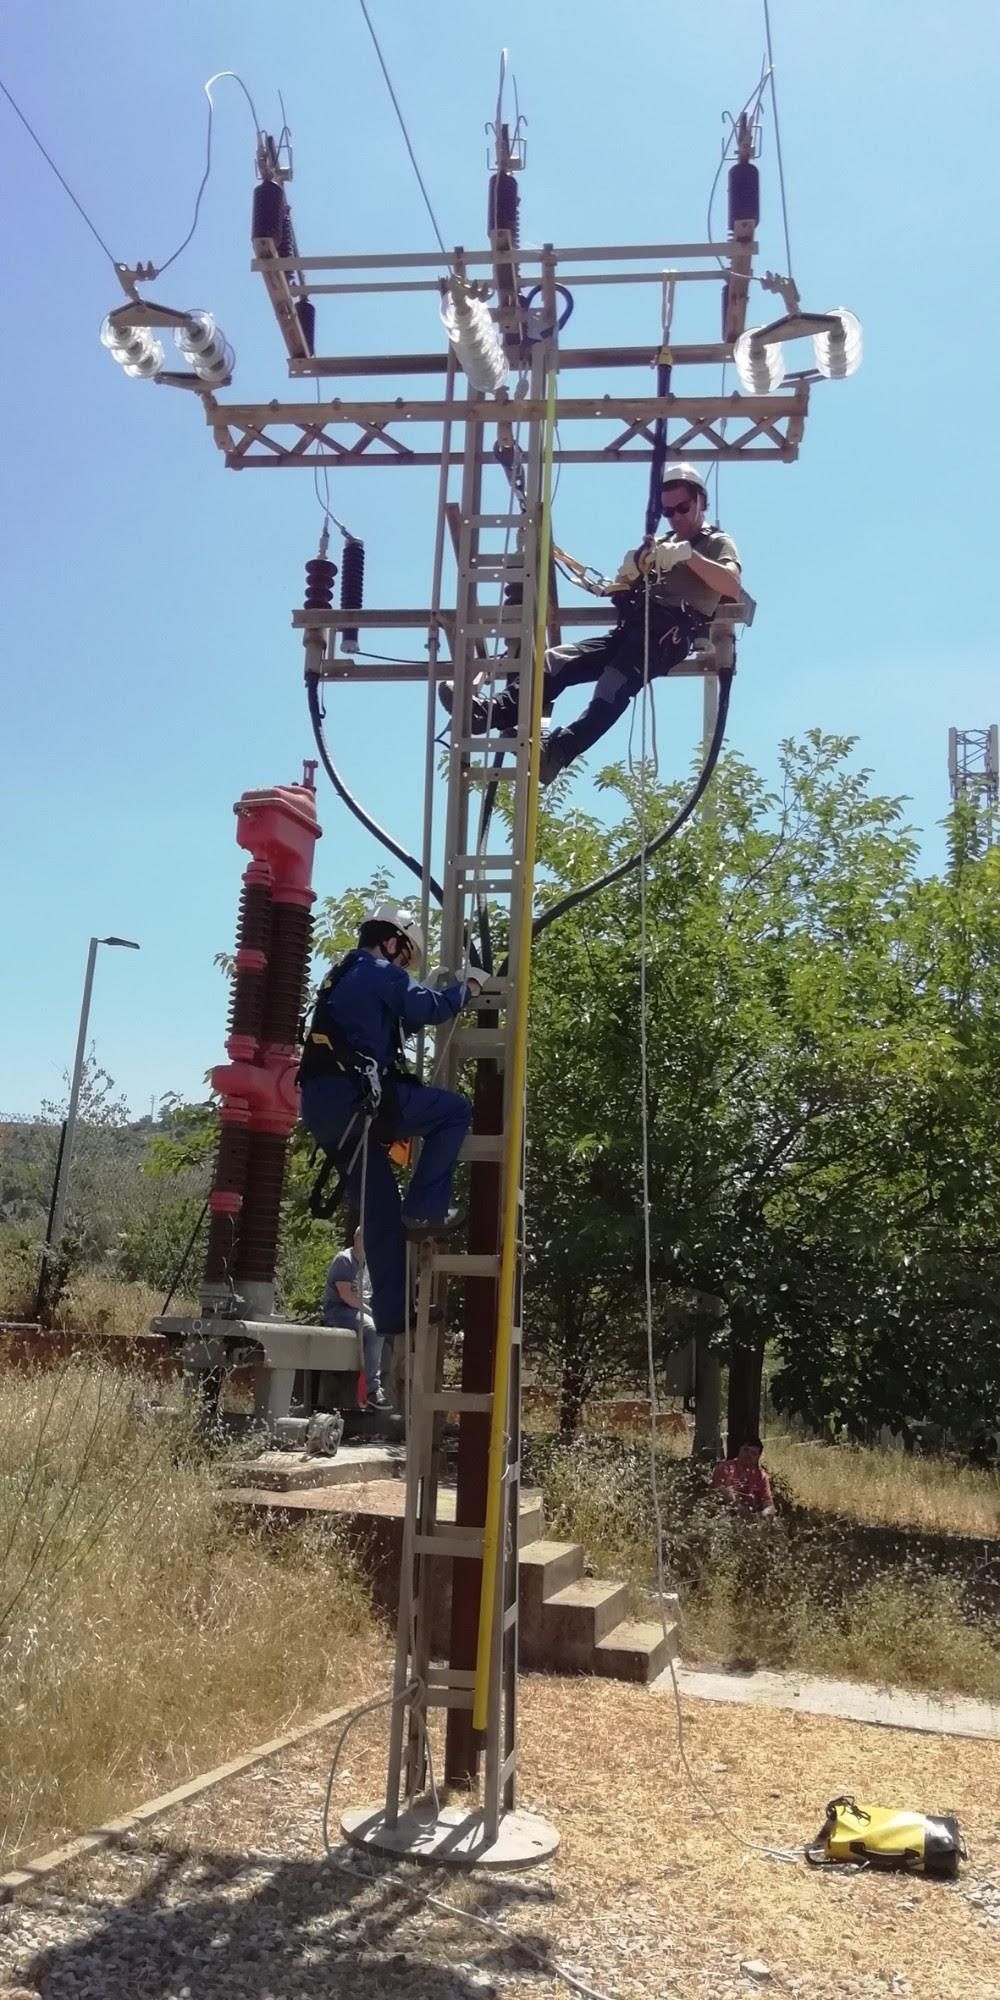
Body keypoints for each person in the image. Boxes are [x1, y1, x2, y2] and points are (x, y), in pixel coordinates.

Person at [440, 463, 741, 785]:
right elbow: (626, 590)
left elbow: (731, 584)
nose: (677, 517)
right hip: (634, 628)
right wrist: (630, 576)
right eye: (669, 511)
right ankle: (493, 712)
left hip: (669, 633)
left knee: (614, 682)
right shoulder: (661, 545)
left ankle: (558, 751)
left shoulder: (716, 542)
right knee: (555, 662)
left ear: (700, 502)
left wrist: (689, 557)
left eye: (683, 508)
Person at [298, 901, 481, 1343]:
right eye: (405, 955)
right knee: (454, 1112)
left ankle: (395, 1317)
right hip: (358, 1100)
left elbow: (386, 1026)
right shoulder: (379, 972)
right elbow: (432, 1009)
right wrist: (468, 988)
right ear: (390, 940)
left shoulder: (343, 977)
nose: (405, 964)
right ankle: (427, 1208)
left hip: (324, 1108)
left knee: (379, 1210)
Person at [321, 1227, 391, 1406]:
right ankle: (372, 1389)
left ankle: (386, 1388)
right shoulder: (344, 1260)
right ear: (355, 1238)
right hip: (338, 1311)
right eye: (362, 1237)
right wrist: (372, 1312)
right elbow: (346, 1296)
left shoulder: (369, 1262)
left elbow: (369, 1294)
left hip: (358, 1310)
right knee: (375, 1329)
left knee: (389, 1328)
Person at [710, 1437, 776, 1519]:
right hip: (724, 1513)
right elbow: (724, 1492)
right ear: (739, 1450)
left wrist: (764, 1514)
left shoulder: (761, 1477)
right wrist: (741, 1509)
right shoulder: (726, 1468)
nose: (748, 1454)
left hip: (750, 1517)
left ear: (758, 1457)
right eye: (745, 1450)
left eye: (753, 1453)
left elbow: (769, 1504)